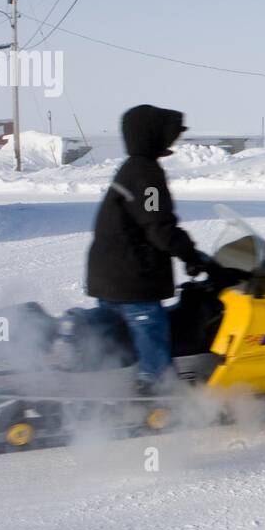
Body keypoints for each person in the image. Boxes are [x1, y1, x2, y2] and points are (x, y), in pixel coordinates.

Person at [86, 104, 208, 394]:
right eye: (170, 135)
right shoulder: (146, 175)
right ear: (153, 135)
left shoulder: (132, 169)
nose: (173, 140)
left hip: (110, 273)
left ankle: (106, 384)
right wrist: (191, 256)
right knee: (150, 328)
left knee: (119, 336)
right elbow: (157, 225)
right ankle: (157, 387)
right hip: (131, 277)